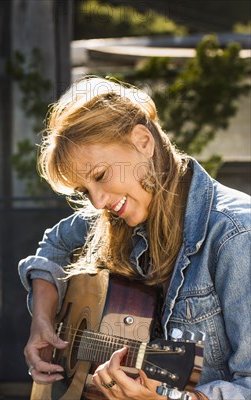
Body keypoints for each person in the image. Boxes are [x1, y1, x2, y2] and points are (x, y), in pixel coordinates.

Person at [18, 76, 251, 400]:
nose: (98, 202)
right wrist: (42, 319)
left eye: (100, 176)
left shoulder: (235, 235)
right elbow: (55, 244)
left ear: (143, 141)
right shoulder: (117, 216)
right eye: (86, 191)